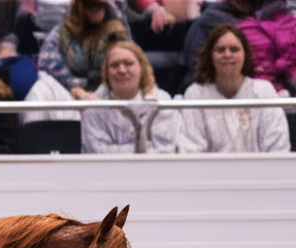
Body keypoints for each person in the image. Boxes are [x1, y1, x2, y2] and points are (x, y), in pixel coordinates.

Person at [178, 24, 289, 153]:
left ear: (245, 54)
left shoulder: (264, 91)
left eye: (234, 49)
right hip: (210, 166)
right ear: (210, 56)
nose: (227, 54)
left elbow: (277, 147)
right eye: (220, 50)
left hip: (260, 166)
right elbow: (190, 150)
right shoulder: (196, 94)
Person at [81, 41, 180, 153]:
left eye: (128, 64)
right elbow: (97, 152)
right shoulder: (93, 107)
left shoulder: (162, 100)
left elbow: (165, 149)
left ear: (142, 68)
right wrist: (144, 147)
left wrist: (117, 149)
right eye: (114, 65)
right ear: (106, 73)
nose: (122, 70)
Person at [38, 0, 132, 99]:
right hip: (68, 94)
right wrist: (74, 86)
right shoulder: (62, 33)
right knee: (41, 87)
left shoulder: (118, 33)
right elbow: (48, 65)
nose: (95, 9)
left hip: (109, 93)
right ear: (79, 6)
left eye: (100, 5)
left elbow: (130, 63)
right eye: (90, 4)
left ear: (107, 6)